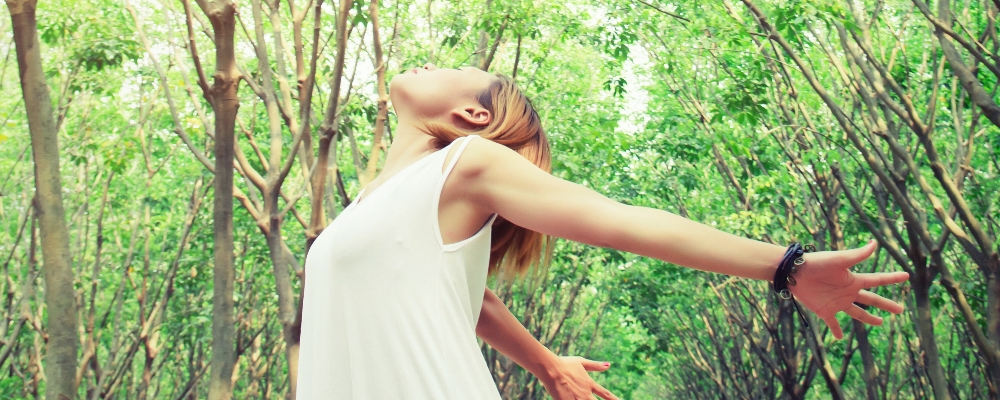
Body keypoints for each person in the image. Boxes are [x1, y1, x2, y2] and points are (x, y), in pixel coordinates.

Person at [295, 63, 910, 399]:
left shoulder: (465, 164)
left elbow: (622, 222)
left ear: (474, 116)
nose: (431, 63)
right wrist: (546, 365)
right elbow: (466, 298)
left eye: (455, 67)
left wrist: (787, 266)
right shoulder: (374, 202)